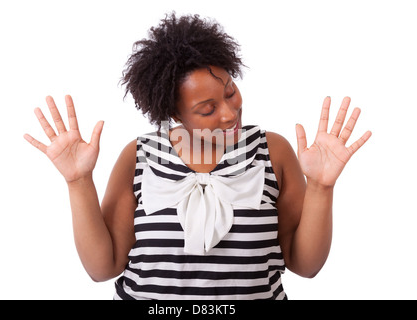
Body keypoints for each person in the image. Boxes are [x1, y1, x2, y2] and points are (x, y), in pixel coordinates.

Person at [24, 13, 371, 300]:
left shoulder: (272, 151)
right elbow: (103, 268)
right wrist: (78, 181)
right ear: (174, 114)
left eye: (230, 91)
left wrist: (322, 188)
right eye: (207, 109)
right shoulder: (140, 156)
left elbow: (306, 265)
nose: (229, 112)